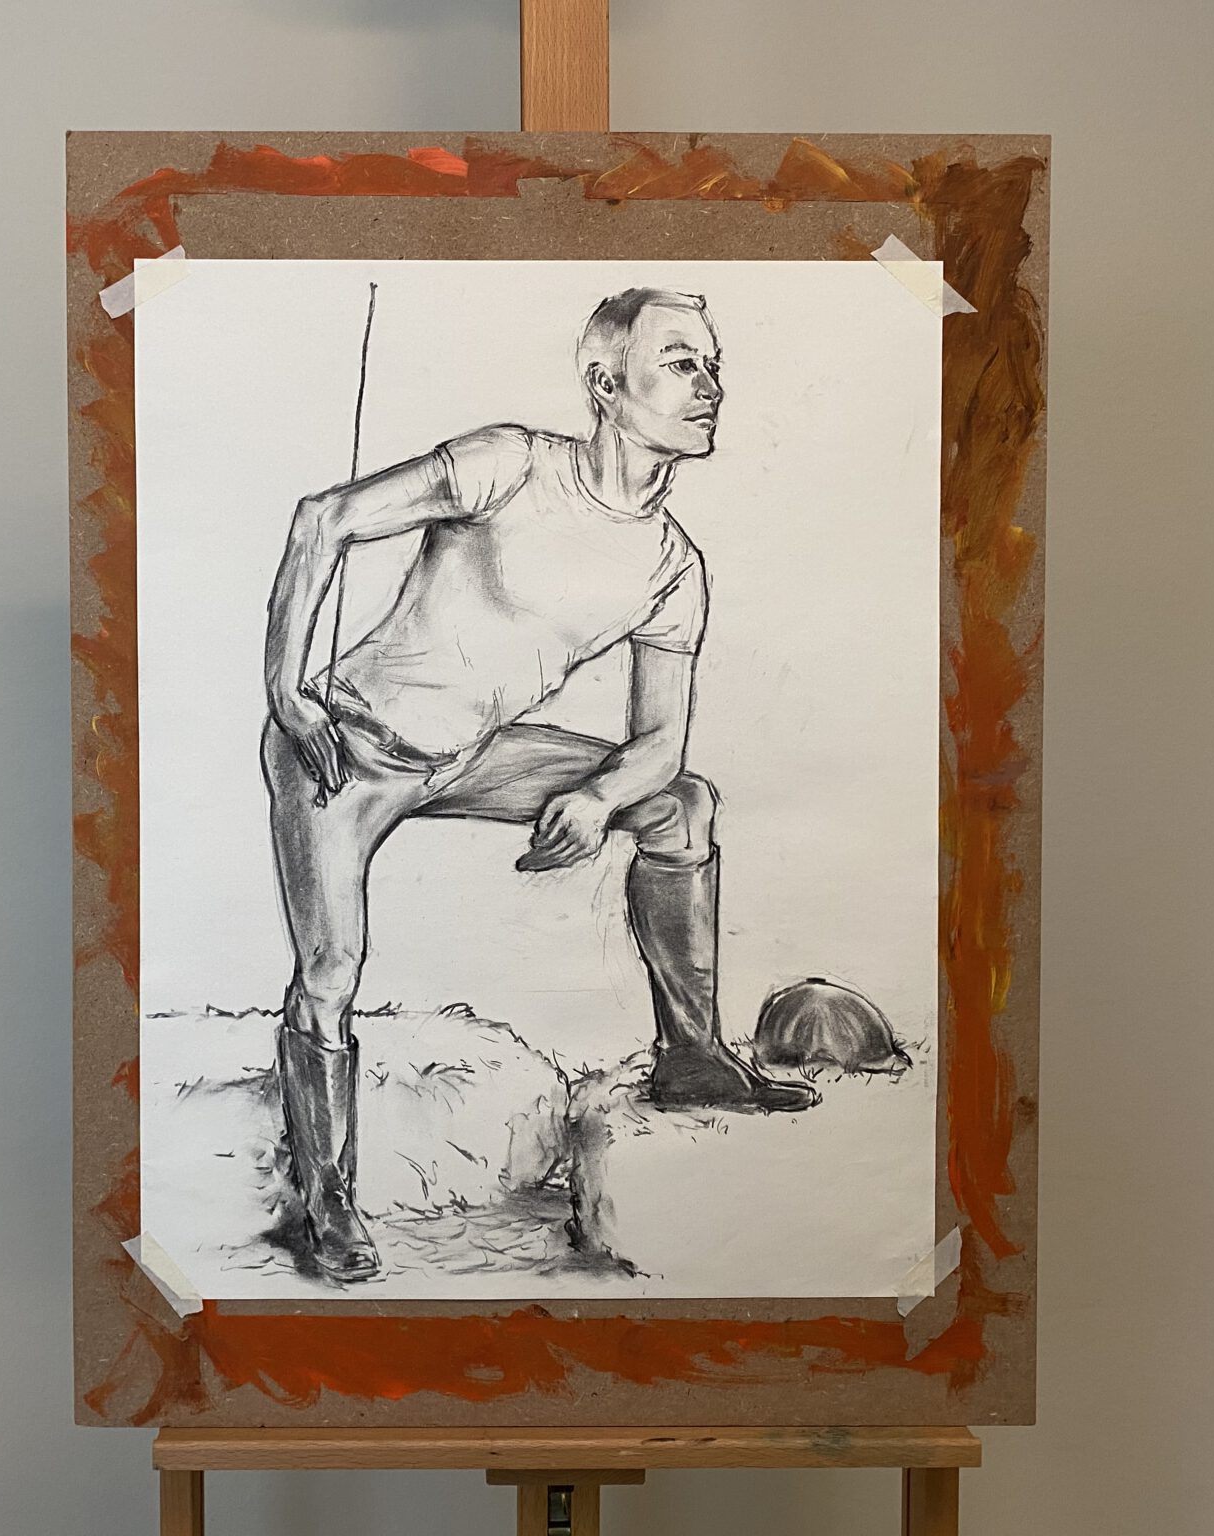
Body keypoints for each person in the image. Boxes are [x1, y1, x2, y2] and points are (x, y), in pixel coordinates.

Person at [261, 288, 817, 1284]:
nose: (709, 387)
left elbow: (658, 743)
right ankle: (327, 1201)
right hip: (345, 748)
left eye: (713, 366)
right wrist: (287, 693)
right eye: (681, 363)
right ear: (605, 383)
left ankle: (692, 1058)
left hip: (475, 754)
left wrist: (597, 799)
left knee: (680, 805)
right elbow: (323, 520)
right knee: (331, 973)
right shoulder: (510, 462)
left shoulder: (672, 566)